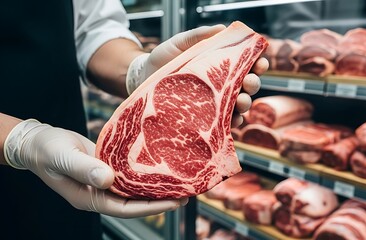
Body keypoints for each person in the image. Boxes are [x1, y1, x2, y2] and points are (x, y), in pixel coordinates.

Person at [0, 0, 268, 239]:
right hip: (44, 148)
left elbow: (93, 30)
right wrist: (20, 140)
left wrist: (137, 69)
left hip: (68, 159)